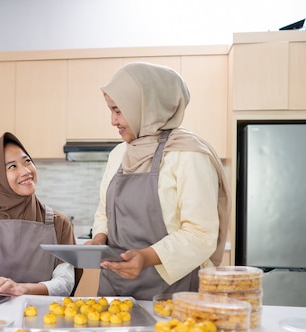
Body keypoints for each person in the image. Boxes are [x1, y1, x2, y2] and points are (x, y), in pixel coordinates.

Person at [85, 62, 230, 300]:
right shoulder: (119, 154)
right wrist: (99, 239)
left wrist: (146, 258)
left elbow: (201, 234)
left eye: (118, 110)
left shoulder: (189, 155)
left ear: (146, 107)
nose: (112, 120)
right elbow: (104, 212)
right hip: (115, 286)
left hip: (171, 291)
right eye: (110, 110)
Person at [0, 132, 78, 296]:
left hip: (39, 317)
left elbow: (65, 283)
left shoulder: (59, 223)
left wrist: (21, 289)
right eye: (12, 166)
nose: (26, 170)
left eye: (27, 161)